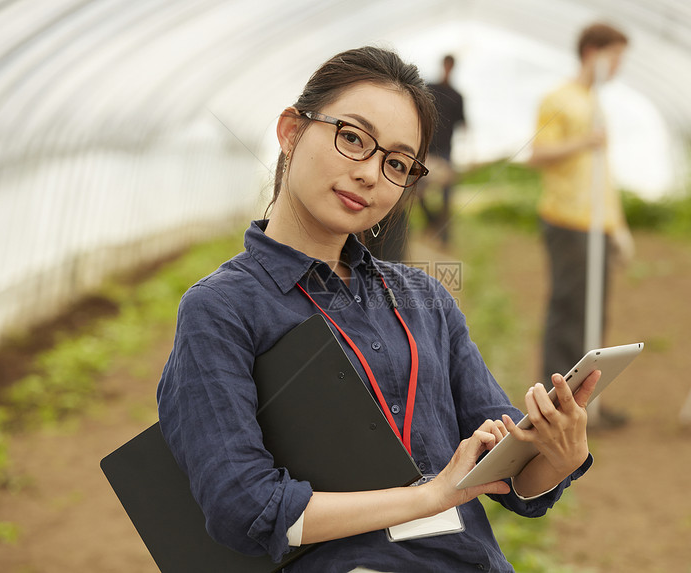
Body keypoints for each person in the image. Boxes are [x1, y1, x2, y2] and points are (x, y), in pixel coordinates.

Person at [157, 46, 598, 572]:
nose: (369, 173)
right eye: (352, 138)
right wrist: (429, 496)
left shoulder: (423, 299)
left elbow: (504, 474)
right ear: (291, 132)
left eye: (395, 163)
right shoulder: (224, 308)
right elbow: (243, 508)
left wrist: (557, 455)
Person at [527, 22, 633, 428]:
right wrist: (585, 141)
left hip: (597, 224)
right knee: (569, 312)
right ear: (593, 51)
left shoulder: (596, 103)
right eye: (616, 54)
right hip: (568, 221)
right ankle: (553, 410)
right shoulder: (561, 99)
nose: (620, 64)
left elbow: (603, 175)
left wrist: (617, 225)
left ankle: (587, 405)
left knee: (594, 316)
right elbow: (539, 152)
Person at [417, 54, 465, 246]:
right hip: (427, 149)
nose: (447, 69)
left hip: (446, 150)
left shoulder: (457, 96)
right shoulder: (430, 89)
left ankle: (444, 236)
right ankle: (431, 221)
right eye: (446, 65)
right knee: (418, 190)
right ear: (443, 65)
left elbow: (462, 122)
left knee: (446, 194)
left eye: (450, 66)